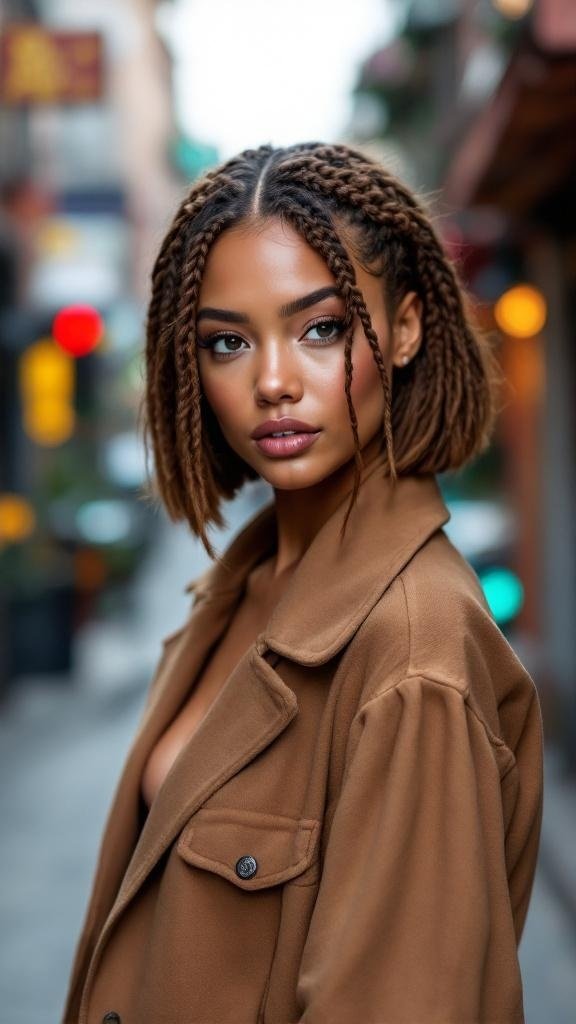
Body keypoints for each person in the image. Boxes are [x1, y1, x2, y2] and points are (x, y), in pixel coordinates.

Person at [63, 142, 543, 1024]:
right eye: (228, 342)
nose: (273, 382)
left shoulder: (414, 656)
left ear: (405, 328)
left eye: (320, 328)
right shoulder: (235, 593)